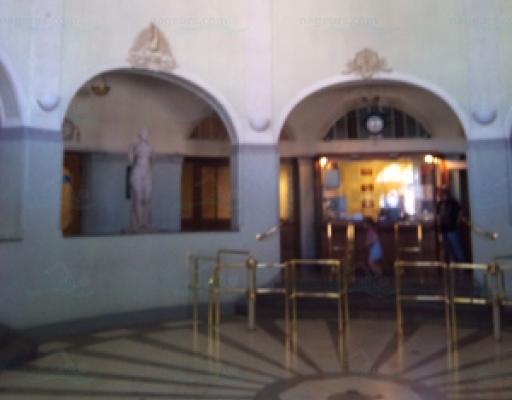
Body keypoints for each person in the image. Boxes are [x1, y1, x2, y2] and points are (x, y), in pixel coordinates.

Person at [128, 128, 153, 232]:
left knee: (147, 198)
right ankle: (138, 223)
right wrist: (131, 151)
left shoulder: (150, 147)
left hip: (147, 172)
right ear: (139, 135)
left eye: (146, 133)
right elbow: (130, 161)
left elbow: (152, 161)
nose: (145, 135)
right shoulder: (134, 146)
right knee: (138, 197)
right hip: (137, 171)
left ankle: (145, 222)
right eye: (143, 133)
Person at [436, 187, 465, 263]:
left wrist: (457, 222)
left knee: (455, 247)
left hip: (452, 228)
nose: (439, 194)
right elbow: (438, 216)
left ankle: (461, 263)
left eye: (441, 193)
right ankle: (456, 263)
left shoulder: (452, 202)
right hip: (446, 229)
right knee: (449, 248)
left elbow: (460, 212)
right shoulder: (442, 203)